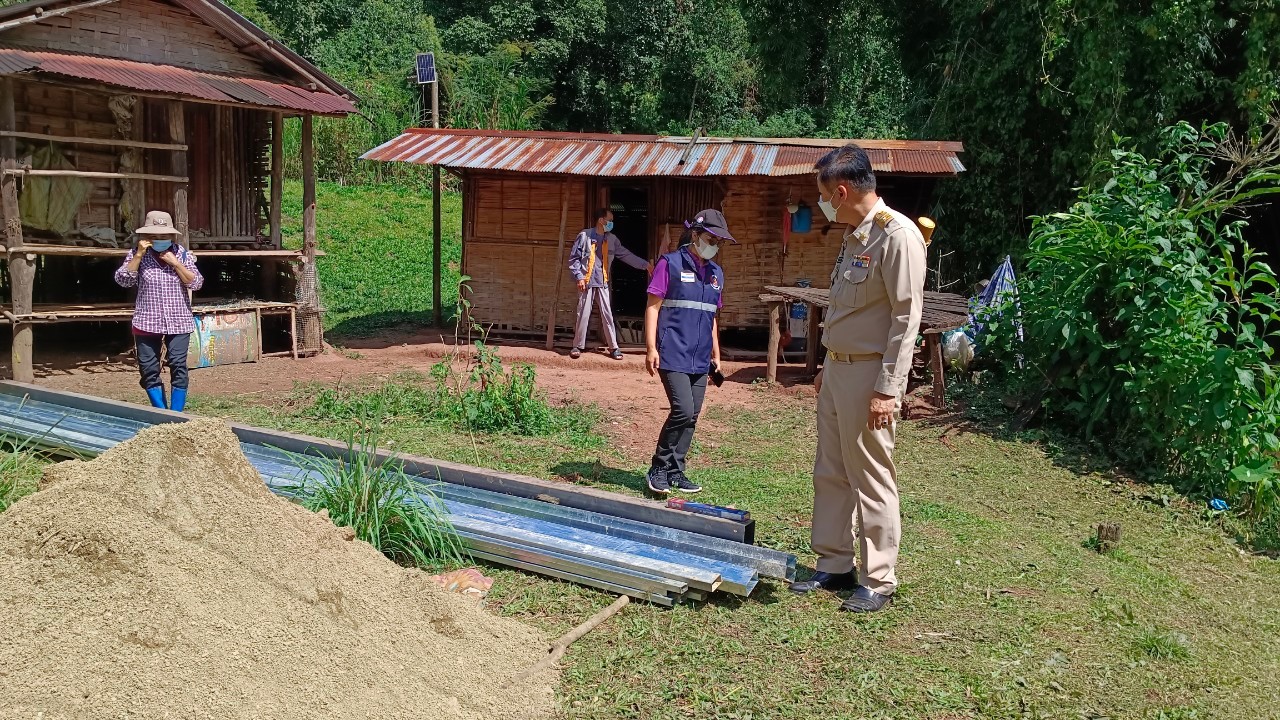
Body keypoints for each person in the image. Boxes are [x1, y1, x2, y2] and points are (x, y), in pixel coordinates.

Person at [788, 144, 925, 613]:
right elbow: (850, 310)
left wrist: (889, 388)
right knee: (831, 470)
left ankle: (879, 579)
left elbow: (906, 321)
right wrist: (828, 362)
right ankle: (835, 563)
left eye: (825, 196)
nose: (823, 204)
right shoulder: (855, 237)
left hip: (870, 376)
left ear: (842, 191)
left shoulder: (897, 236)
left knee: (871, 475)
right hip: (839, 368)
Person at [643, 209, 737, 495]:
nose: (715, 246)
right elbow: (652, 306)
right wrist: (649, 348)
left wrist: (716, 354)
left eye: (719, 242)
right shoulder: (669, 264)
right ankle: (658, 467)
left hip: (701, 357)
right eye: (711, 239)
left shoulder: (716, 274)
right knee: (682, 410)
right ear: (695, 235)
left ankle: (676, 470)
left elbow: (712, 317)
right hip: (671, 352)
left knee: (693, 415)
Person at [114, 210, 204, 411]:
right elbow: (123, 280)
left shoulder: (181, 254)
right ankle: (161, 412)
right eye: (155, 236)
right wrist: (138, 255)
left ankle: (177, 414)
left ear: (172, 236)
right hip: (147, 320)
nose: (160, 240)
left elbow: (196, 283)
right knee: (148, 370)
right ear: (146, 237)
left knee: (178, 364)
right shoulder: (137, 255)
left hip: (179, 320)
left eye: (164, 236)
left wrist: (175, 263)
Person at [567, 208, 650, 360]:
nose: (611, 223)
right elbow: (574, 259)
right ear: (601, 220)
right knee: (583, 314)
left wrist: (645, 265)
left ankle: (614, 347)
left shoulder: (612, 239)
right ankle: (577, 346)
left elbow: (626, 255)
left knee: (607, 315)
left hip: (603, 282)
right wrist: (579, 277)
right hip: (586, 282)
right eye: (609, 220)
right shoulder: (584, 236)